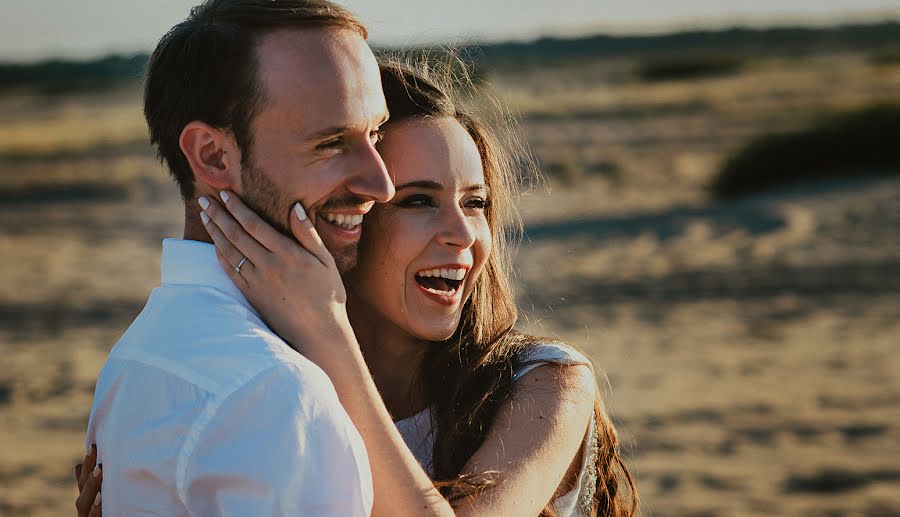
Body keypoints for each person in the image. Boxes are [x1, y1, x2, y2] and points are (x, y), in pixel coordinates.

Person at [78, 59, 638, 515]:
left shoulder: (546, 384)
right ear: (351, 218)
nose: (462, 234)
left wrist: (328, 327)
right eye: (417, 201)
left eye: (475, 203)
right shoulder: (285, 394)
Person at [79, 0, 395, 514]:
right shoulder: (275, 393)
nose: (382, 184)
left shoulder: (134, 355)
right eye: (332, 143)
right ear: (212, 156)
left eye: (375, 133)